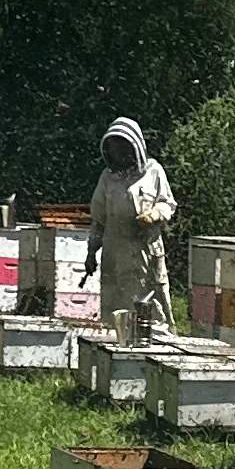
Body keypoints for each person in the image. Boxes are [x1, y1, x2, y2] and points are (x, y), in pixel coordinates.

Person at [90, 116, 176, 342]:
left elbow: (167, 203)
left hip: (144, 250)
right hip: (114, 252)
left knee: (150, 304)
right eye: (113, 146)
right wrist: (91, 252)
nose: (117, 151)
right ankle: (118, 350)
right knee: (115, 306)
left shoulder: (153, 171)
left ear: (134, 145)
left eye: (122, 145)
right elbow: (99, 219)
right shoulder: (107, 178)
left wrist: (155, 215)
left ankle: (155, 351)